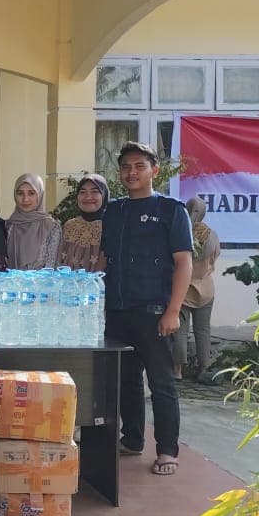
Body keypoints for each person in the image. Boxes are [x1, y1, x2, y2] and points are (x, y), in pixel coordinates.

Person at [101, 142, 192, 476]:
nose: (131, 172)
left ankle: (167, 450)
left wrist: (173, 311)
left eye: (139, 166)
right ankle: (133, 439)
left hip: (155, 312)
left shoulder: (171, 210)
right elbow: (104, 259)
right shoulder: (114, 211)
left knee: (162, 383)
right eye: (125, 166)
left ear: (155, 170)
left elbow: (184, 263)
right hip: (118, 311)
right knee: (125, 381)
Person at [175, 195, 221, 384]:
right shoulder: (212, 235)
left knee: (180, 331)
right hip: (206, 289)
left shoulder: (180, 232)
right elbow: (215, 256)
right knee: (203, 330)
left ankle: (176, 370)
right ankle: (204, 367)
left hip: (183, 289)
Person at [6, 173, 61, 270]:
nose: (25, 199)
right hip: (11, 283)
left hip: (41, 283)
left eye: (31, 193)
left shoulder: (51, 226)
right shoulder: (9, 225)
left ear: (40, 195)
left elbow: (51, 265)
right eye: (20, 193)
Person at [59, 175, 109, 272]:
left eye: (95, 191)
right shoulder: (70, 226)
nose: (88, 197)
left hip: (99, 286)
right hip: (68, 285)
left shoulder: (111, 227)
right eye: (82, 192)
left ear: (104, 195)